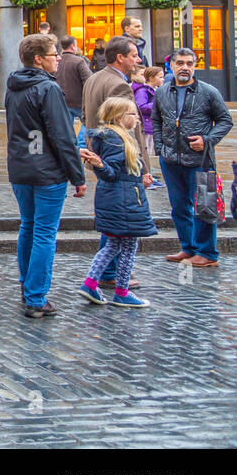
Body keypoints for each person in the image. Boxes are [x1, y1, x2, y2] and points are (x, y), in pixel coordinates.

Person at [6, 33, 86, 318]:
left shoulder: (14, 84)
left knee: (28, 226)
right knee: (43, 232)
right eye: (54, 54)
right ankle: (36, 296)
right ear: (38, 59)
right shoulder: (48, 89)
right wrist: (78, 175)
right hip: (46, 170)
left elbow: (28, 132)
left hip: (20, 166)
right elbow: (63, 136)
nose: (59, 58)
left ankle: (27, 285)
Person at [83, 35, 155, 287]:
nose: (138, 60)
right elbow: (132, 131)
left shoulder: (94, 78)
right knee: (118, 219)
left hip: (101, 153)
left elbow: (86, 117)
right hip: (119, 159)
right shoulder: (119, 85)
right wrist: (144, 167)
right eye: (134, 55)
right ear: (119, 57)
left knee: (111, 214)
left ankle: (105, 273)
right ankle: (110, 274)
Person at [152, 47, 233, 268]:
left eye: (189, 63)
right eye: (180, 63)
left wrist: (207, 140)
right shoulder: (162, 91)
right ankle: (188, 247)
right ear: (171, 66)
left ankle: (207, 253)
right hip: (170, 160)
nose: (185, 68)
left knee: (204, 207)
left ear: (195, 66)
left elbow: (225, 121)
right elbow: (156, 119)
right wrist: (160, 146)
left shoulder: (208, 92)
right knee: (179, 207)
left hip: (200, 160)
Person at [75, 97, 156, 307]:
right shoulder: (115, 139)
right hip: (123, 201)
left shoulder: (119, 137)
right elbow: (110, 174)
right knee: (128, 246)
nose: (137, 118)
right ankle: (121, 291)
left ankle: (91, 283)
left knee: (113, 245)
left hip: (122, 198)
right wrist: (100, 166)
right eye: (132, 114)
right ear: (119, 117)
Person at [55, 35, 92, 149]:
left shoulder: (57, 61)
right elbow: (88, 80)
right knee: (89, 122)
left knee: (66, 128)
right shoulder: (79, 61)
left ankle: (68, 147)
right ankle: (80, 144)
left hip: (62, 100)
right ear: (72, 46)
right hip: (79, 101)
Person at [133, 66, 163, 156]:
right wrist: (157, 105)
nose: (163, 79)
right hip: (146, 127)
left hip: (153, 126)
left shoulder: (156, 91)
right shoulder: (143, 91)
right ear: (151, 78)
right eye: (160, 77)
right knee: (147, 152)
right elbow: (140, 106)